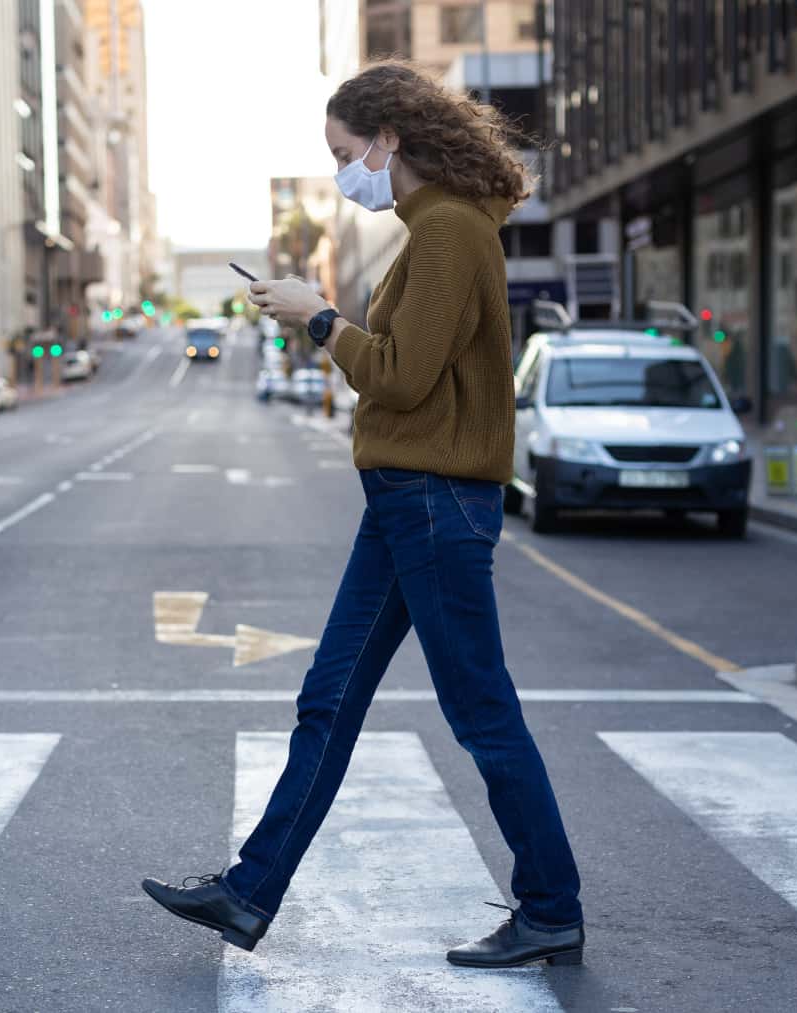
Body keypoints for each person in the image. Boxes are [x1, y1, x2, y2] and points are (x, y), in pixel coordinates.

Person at [141, 61, 584, 970]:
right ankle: (249, 892)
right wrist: (322, 317)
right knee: (330, 697)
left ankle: (551, 907)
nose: (346, 171)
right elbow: (402, 366)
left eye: (347, 154)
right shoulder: (431, 230)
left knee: (480, 710)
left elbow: (400, 375)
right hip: (404, 500)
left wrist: (317, 319)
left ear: (390, 140)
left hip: (433, 497)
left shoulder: (450, 231)